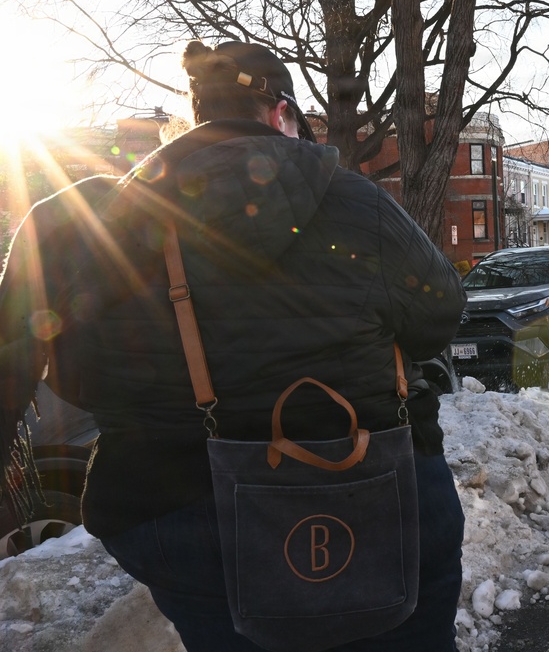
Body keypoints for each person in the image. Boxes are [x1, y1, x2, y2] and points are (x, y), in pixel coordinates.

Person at [0, 40, 467, 651]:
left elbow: (29, 363)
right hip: (381, 485)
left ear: (197, 116)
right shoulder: (364, 204)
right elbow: (439, 318)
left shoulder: (82, 218)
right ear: (280, 115)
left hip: (174, 500)